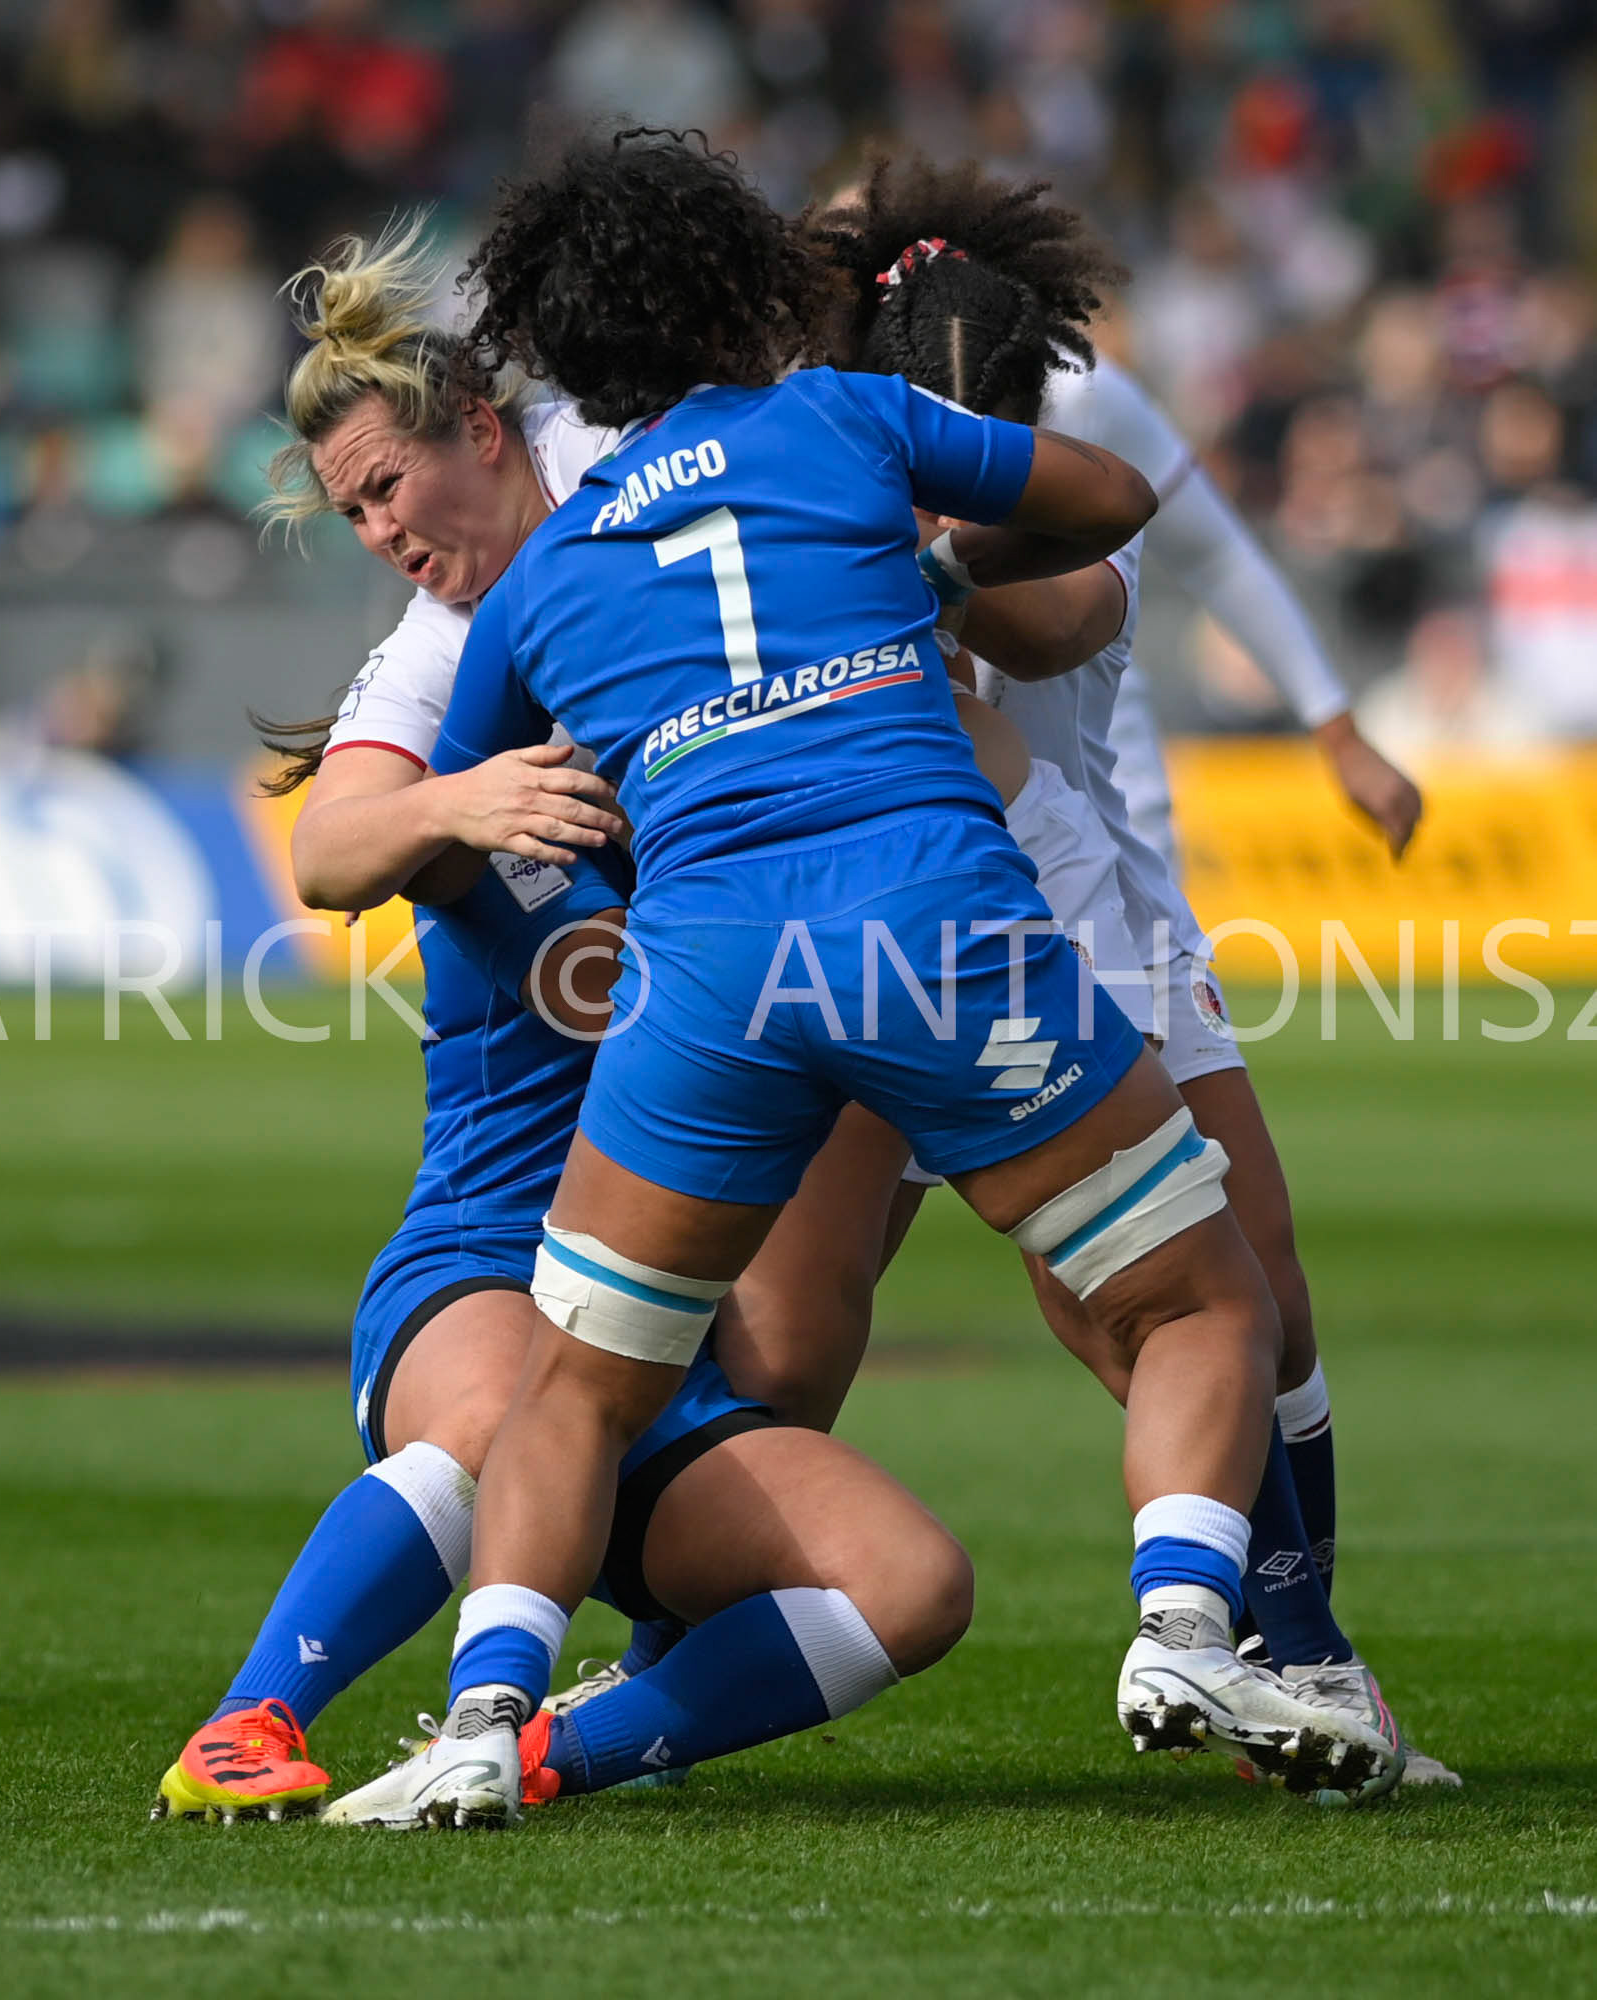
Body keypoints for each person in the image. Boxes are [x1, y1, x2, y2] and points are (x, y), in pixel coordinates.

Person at [385, 128, 1402, 1831]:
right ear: (740, 282)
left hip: (709, 970)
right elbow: (1111, 516)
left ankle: (484, 1711)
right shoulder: (846, 421)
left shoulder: (543, 570)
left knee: (588, 1381)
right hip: (935, 914)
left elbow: (462, 814)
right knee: (1198, 1299)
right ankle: (1185, 1627)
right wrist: (912, 558)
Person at [153, 228, 971, 1822]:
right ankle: (249, 1722)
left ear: (486, 428)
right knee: (510, 1402)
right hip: (485, 1260)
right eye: (354, 512)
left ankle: (544, 1753)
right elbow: (325, 852)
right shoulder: (455, 656)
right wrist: (464, 795)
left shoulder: (676, 597)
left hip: (644, 1318)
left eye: (388, 490)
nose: (381, 533)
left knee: (911, 1582)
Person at [819, 156, 1454, 1793]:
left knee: (1240, 1292)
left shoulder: (1080, 447)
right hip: (861, 922)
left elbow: (1073, 613)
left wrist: (932, 556)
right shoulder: (805, 430)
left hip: (1081, 907)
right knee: (790, 1341)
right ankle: (659, 1655)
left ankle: (1300, 1650)